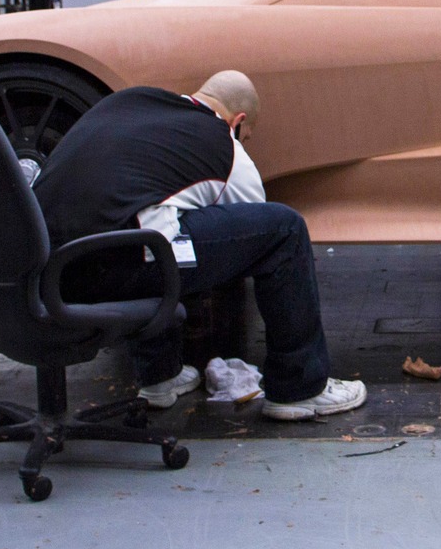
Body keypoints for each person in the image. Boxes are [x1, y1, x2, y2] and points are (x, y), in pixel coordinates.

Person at [32, 71, 366, 421]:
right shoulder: (225, 146)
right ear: (237, 121)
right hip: (111, 271)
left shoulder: (129, 103)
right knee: (284, 230)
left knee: (156, 217)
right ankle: (300, 389)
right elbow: (251, 236)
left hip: (45, 272)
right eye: (246, 136)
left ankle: (160, 376)